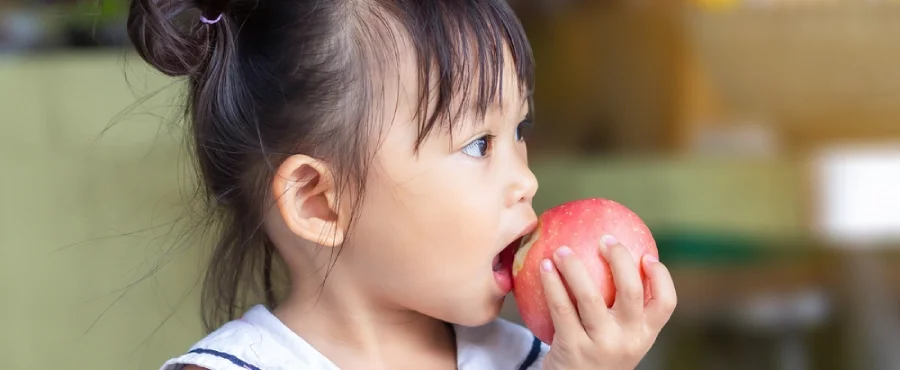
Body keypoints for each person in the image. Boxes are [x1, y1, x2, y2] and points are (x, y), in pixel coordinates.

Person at [126, 0, 677, 369]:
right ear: (319, 202)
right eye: (478, 144)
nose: (526, 180)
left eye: (520, 130)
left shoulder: (536, 358)